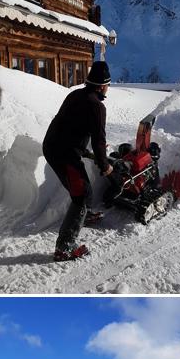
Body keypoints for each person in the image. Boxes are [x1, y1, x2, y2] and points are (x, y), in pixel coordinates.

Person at [43, 61, 113, 261]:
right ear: (102, 86)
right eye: (108, 84)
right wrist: (105, 166)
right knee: (82, 194)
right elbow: (99, 141)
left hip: (52, 145)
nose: (108, 88)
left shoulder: (75, 94)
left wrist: (83, 148)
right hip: (64, 153)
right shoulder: (97, 106)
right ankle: (64, 247)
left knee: (81, 188)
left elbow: (70, 124)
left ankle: (82, 214)